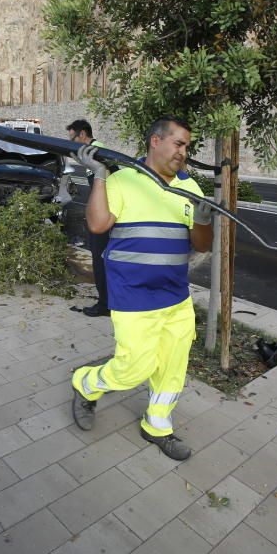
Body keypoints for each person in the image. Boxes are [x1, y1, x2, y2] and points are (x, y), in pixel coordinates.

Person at [70, 116, 214, 461]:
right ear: (155, 141)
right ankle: (86, 384)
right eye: (178, 143)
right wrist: (100, 178)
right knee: (134, 366)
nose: (184, 152)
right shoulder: (123, 180)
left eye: (187, 146)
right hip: (133, 294)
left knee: (172, 367)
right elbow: (97, 223)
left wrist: (204, 220)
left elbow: (202, 245)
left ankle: (157, 425)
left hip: (176, 295)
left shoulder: (189, 188)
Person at [67, 119, 110, 317]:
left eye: (73, 138)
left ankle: (104, 305)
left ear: (82, 135)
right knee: (100, 258)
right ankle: (107, 300)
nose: (73, 143)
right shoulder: (92, 152)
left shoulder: (96, 152)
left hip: (104, 216)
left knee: (99, 259)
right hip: (102, 213)